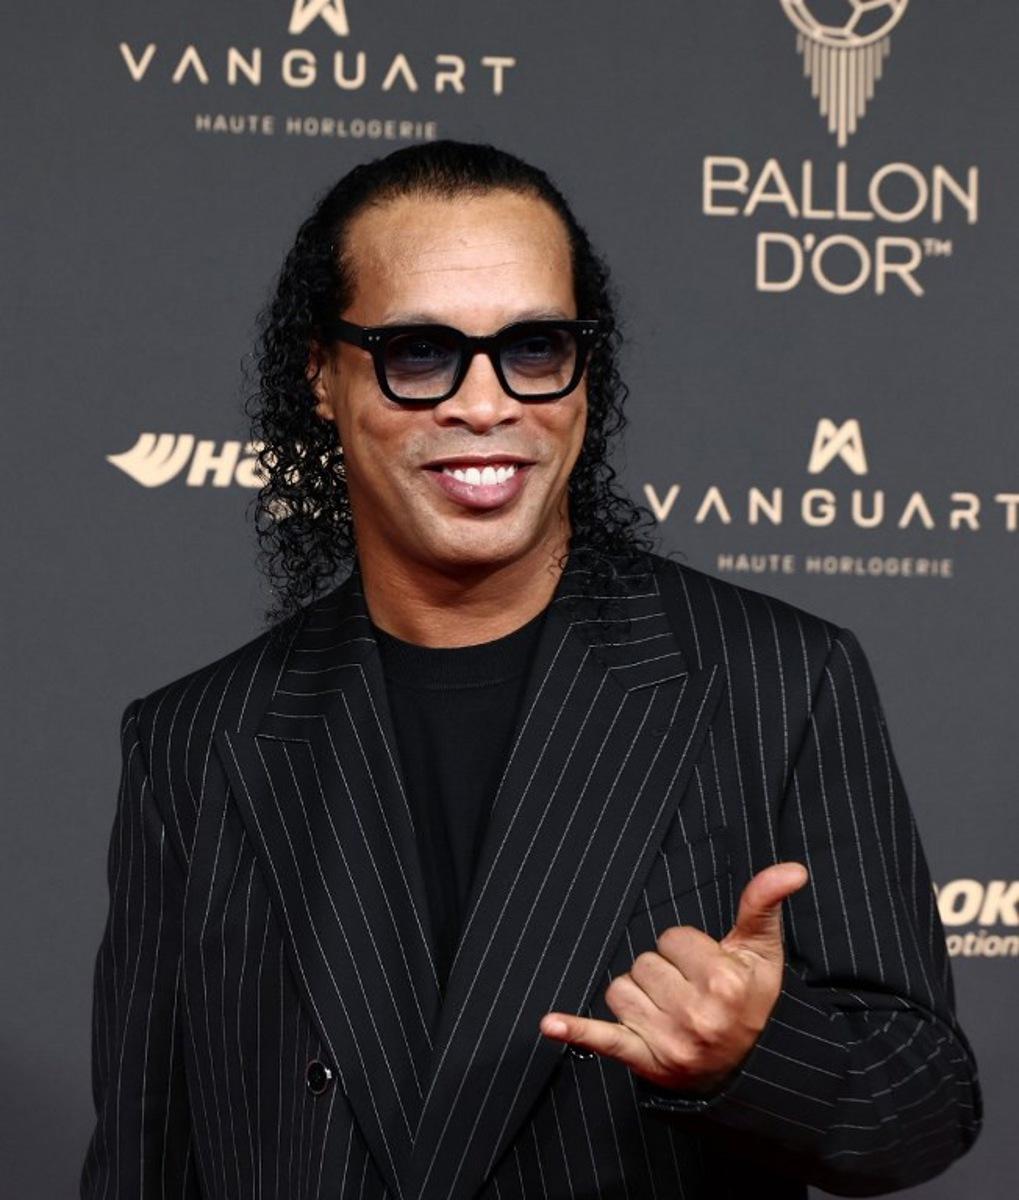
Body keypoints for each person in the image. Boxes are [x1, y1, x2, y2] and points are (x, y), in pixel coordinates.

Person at [80, 140, 981, 1200]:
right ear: (320, 376)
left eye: (534, 346)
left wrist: (751, 1055)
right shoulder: (195, 739)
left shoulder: (774, 679)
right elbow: (146, 1157)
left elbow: (921, 1104)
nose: (483, 404)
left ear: (582, 371)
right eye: (419, 353)